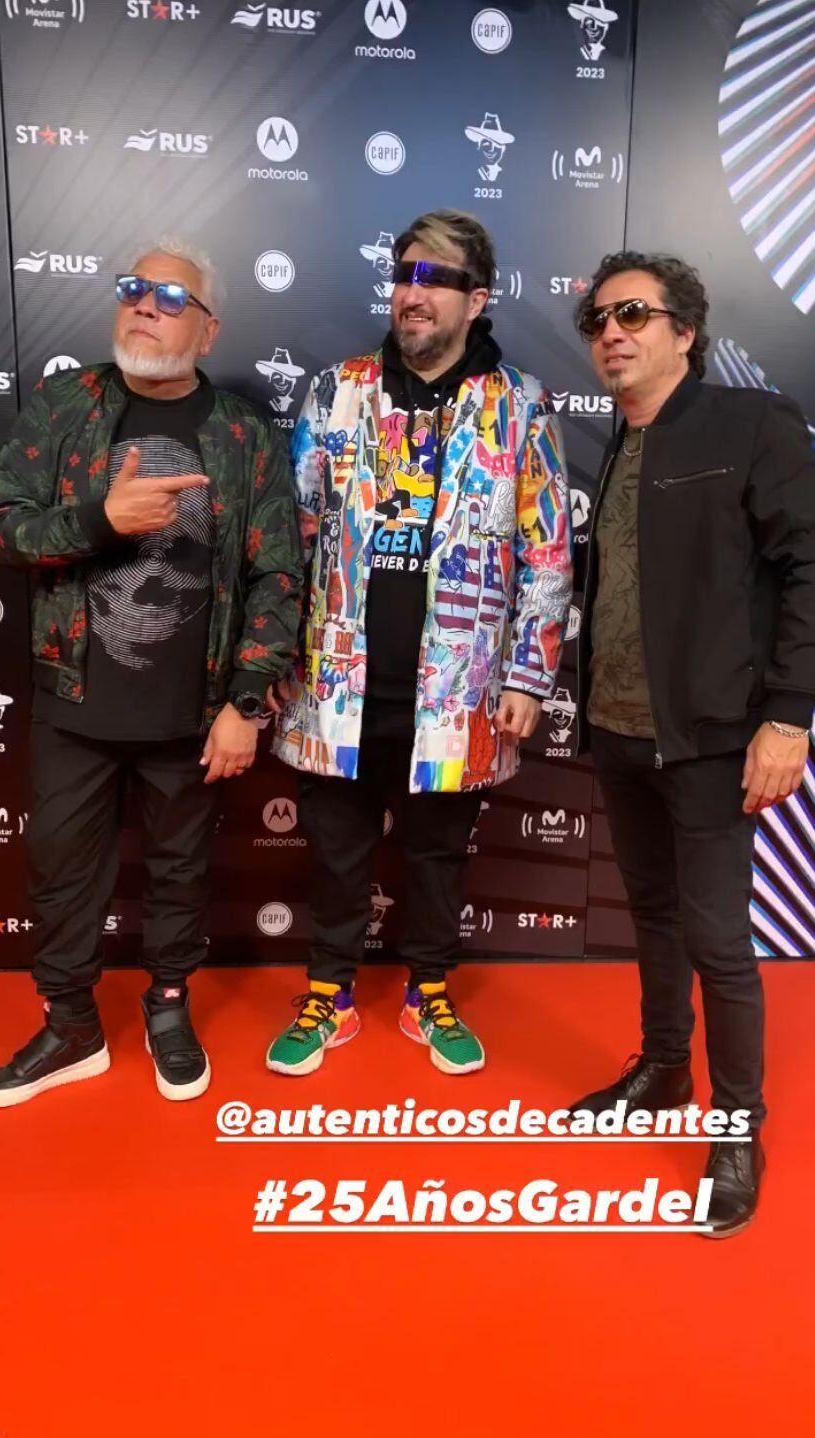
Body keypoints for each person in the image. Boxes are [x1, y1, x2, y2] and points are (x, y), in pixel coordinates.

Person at [0, 236, 302, 1107]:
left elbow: (278, 573)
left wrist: (248, 701)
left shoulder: (242, 434)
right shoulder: (66, 407)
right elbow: (3, 523)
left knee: (180, 871)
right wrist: (98, 518)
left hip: (194, 713)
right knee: (57, 870)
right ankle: (71, 1028)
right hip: (72, 702)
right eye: (133, 288)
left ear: (207, 331)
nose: (144, 305)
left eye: (170, 298)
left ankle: (169, 1007)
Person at [266, 209, 572, 1077]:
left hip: (460, 685)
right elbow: (289, 532)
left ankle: (426, 990)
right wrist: (278, 658)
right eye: (405, 274)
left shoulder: (520, 402)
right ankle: (327, 991)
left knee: (438, 852)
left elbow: (546, 546)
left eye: (436, 280)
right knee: (335, 847)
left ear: (478, 299)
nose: (413, 293)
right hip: (338, 678)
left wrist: (527, 673)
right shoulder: (337, 390)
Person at [571, 250, 815, 1234]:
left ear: (685, 329)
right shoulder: (620, 444)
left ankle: (738, 1126)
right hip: (621, 731)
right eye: (596, 319)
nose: (611, 332)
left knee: (718, 938)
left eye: (633, 312)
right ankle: (665, 1068)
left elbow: (809, 567)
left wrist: (792, 713)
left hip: (715, 736)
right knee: (655, 915)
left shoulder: (751, 423)